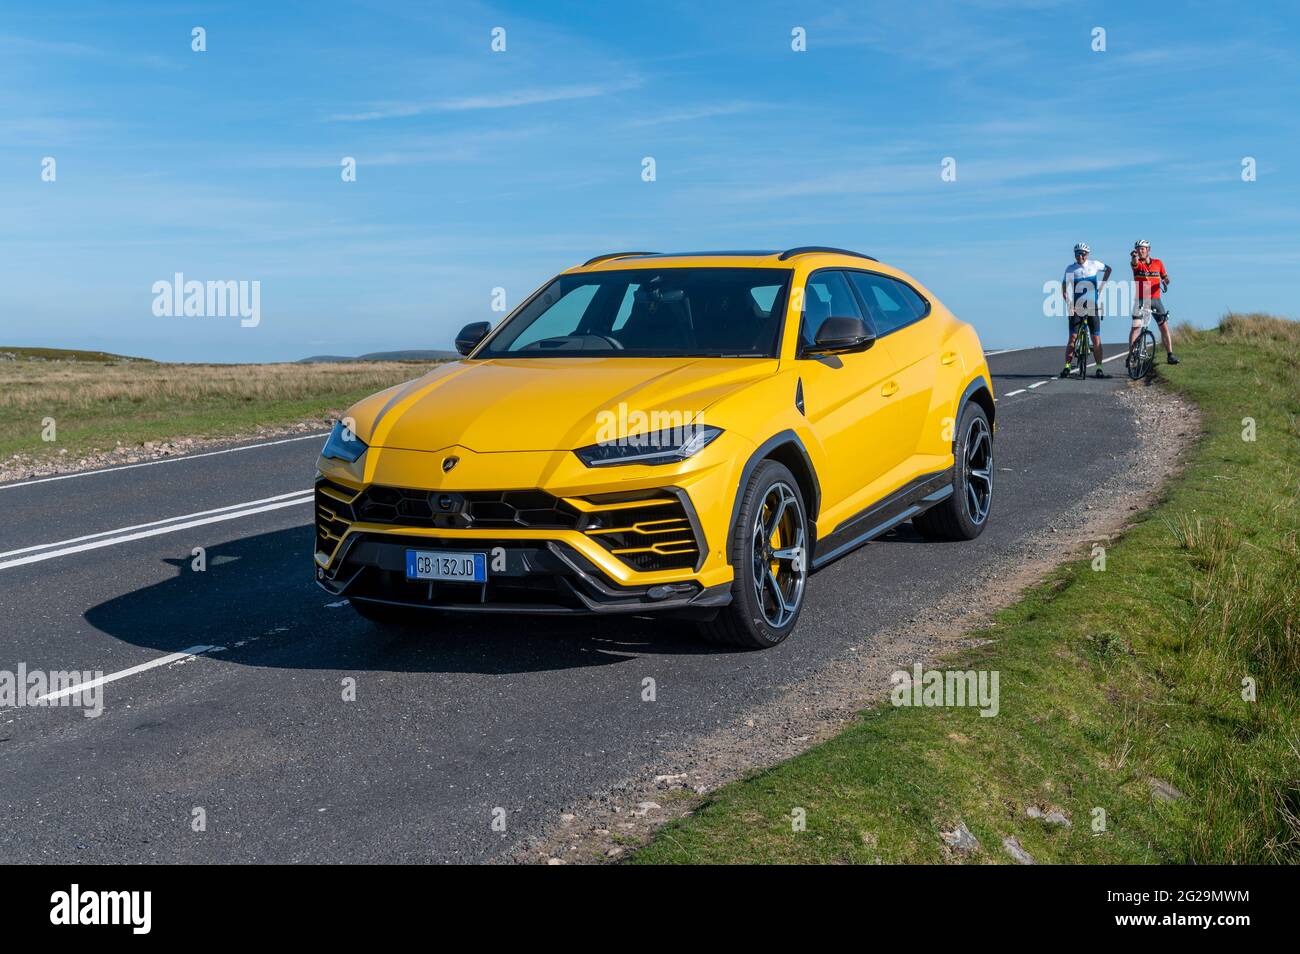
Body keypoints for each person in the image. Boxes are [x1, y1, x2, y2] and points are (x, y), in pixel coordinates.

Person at [1061, 242, 1111, 378]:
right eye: (1077, 253)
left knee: (1096, 338)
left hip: (1092, 306)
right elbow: (1064, 287)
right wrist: (1068, 302)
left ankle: (1099, 368)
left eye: (1082, 253)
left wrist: (1102, 285)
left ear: (1087, 254)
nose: (1080, 256)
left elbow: (1108, 269)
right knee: (1072, 337)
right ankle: (1067, 366)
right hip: (1077, 306)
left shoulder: (1094, 264)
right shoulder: (1071, 269)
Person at [1129, 240, 1179, 364]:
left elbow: (1165, 277)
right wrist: (1134, 257)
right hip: (1140, 300)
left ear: (1148, 250)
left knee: (1164, 327)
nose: (1140, 251)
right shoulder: (1137, 264)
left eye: (1143, 249)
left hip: (1156, 300)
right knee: (1136, 327)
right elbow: (1134, 263)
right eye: (1138, 249)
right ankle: (1132, 355)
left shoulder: (1158, 263)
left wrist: (1166, 281)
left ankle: (1170, 355)